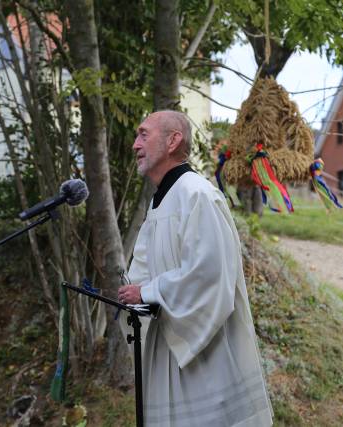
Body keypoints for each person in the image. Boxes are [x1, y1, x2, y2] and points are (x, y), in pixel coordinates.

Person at [118, 110, 273, 426]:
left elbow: (210, 273)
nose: (135, 144)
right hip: (168, 345)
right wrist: (130, 297)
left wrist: (147, 291)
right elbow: (146, 266)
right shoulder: (161, 201)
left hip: (204, 355)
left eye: (143, 134)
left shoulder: (196, 194)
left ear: (173, 140)